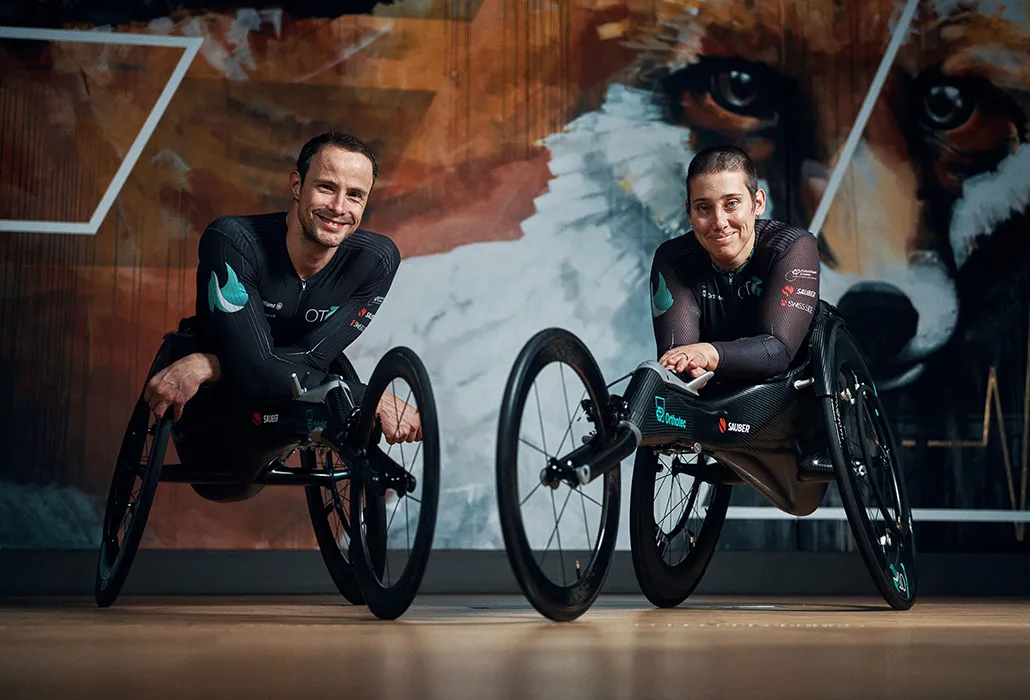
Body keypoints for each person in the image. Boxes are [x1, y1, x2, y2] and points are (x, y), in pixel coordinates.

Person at [143, 131, 421, 497]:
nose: (339, 207)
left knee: (333, 405)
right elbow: (257, 370)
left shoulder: (376, 260)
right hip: (215, 413)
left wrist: (211, 362)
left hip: (290, 403)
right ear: (296, 185)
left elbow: (318, 357)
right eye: (325, 187)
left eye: (355, 195)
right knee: (225, 487)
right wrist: (366, 396)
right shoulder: (232, 241)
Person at [650, 145, 820, 381]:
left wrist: (707, 353)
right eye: (703, 208)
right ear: (689, 212)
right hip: (715, 399)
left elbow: (777, 351)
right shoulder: (673, 258)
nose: (719, 222)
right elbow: (679, 361)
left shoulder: (792, 246)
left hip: (792, 395)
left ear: (757, 203)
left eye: (731, 203)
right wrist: (689, 367)